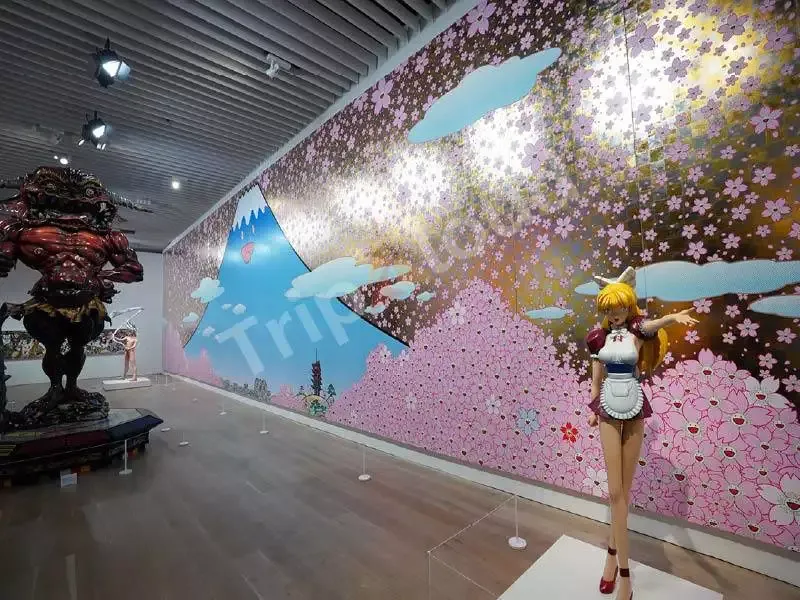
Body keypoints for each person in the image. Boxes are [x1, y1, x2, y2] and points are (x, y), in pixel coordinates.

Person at [586, 267, 698, 600]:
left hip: (634, 406)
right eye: (608, 308)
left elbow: (650, 326)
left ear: (628, 305)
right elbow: (595, 378)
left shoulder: (637, 331)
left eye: (619, 307)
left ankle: (611, 558)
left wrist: (671, 318)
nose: (614, 313)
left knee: (624, 492)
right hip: (607, 407)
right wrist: (592, 407)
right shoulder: (597, 337)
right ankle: (625, 575)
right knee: (615, 493)